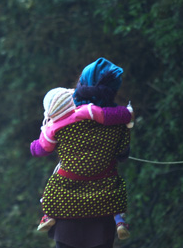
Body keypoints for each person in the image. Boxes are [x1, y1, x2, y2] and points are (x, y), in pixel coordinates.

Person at [30, 58, 133, 248]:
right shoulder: (118, 122)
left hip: (65, 198)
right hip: (105, 198)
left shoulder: (62, 121)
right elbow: (122, 154)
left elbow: (40, 149)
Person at [31, 86, 133, 239]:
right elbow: (111, 116)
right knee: (114, 190)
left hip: (71, 179)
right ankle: (119, 220)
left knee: (52, 189)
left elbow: (41, 149)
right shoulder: (87, 112)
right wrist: (128, 113)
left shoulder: (53, 128)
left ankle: (49, 215)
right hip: (105, 175)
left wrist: (36, 142)